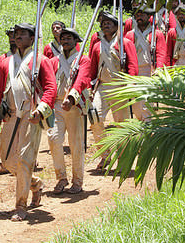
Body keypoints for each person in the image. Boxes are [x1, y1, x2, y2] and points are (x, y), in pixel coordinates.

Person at [0, 23, 57, 221]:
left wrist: (41, 109)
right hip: (10, 116)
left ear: (32, 38)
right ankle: (35, 184)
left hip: (31, 116)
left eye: (23, 33)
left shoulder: (40, 60)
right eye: (16, 33)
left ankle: (20, 205)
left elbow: (50, 88)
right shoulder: (6, 62)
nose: (18, 36)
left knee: (24, 160)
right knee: (7, 160)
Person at [88, 10, 138, 168]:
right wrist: (89, 87)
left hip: (121, 86)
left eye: (109, 23)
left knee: (121, 125)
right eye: (103, 24)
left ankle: (124, 158)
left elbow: (133, 66)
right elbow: (92, 68)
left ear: (116, 26)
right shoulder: (97, 45)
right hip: (102, 87)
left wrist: (130, 84)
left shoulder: (125, 43)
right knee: (95, 118)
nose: (106, 25)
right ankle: (105, 155)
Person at [47, 27, 91, 194]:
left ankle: (78, 180)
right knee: (53, 139)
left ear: (75, 41)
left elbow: (82, 80)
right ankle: (61, 177)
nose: (65, 41)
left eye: (68, 38)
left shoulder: (83, 60)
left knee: (76, 144)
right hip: (57, 105)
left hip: (74, 106)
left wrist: (71, 98)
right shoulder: (53, 61)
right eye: (63, 38)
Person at [0, 26, 17, 175]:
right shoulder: (3, 59)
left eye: (16, 36)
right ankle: (2, 162)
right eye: (11, 36)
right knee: (4, 139)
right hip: (8, 107)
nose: (12, 39)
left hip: (26, 107)